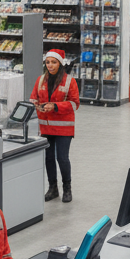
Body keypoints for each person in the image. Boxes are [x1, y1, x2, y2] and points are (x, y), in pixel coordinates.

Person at [29, 50, 80, 203]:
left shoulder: (70, 81)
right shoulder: (40, 80)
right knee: (49, 158)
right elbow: (33, 98)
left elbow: (74, 103)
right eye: (48, 62)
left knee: (62, 158)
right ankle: (53, 189)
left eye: (53, 62)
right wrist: (36, 105)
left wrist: (55, 106)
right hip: (46, 127)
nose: (50, 65)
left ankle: (67, 188)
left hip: (64, 127)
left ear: (60, 63)